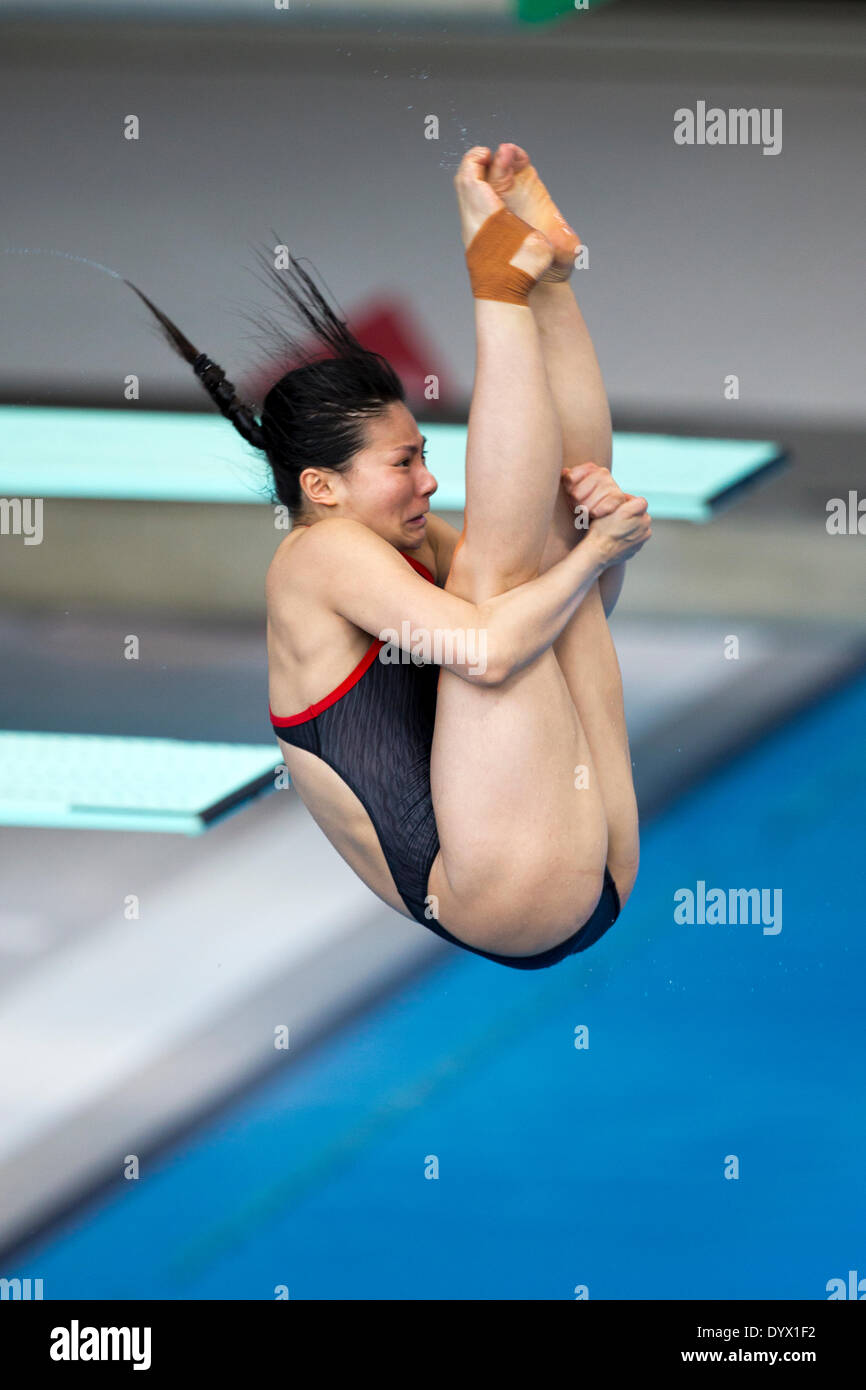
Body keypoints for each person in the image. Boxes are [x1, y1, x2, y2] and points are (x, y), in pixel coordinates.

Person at [125, 142, 651, 969]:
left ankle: (544, 284)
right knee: (506, 582)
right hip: (503, 892)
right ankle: (501, 285)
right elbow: (487, 649)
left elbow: (573, 576)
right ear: (323, 487)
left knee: (556, 546)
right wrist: (596, 563)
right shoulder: (316, 558)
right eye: (402, 463)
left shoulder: (390, 544)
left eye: (422, 454)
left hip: (574, 863)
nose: (429, 480)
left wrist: (595, 553)